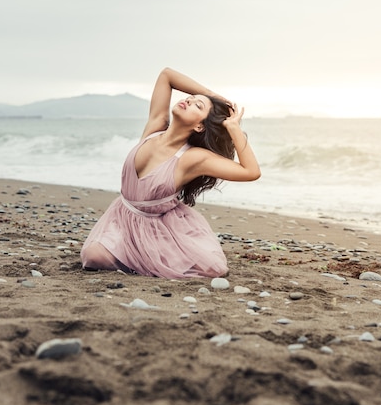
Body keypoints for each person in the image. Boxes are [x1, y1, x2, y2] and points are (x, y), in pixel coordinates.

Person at [80, 67, 261, 278]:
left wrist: (233, 128)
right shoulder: (155, 128)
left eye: (198, 105)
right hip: (121, 215)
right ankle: (134, 258)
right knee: (92, 257)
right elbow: (167, 75)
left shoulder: (191, 158)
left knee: (211, 269)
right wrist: (212, 96)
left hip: (155, 226)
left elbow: (251, 171)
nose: (189, 101)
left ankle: (139, 263)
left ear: (200, 126)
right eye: (191, 98)